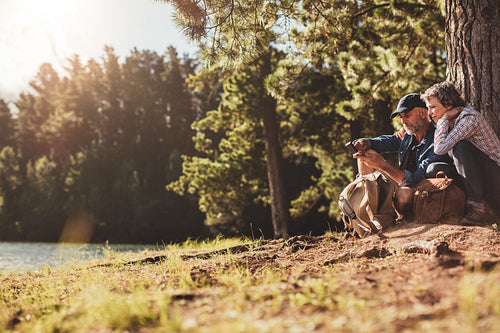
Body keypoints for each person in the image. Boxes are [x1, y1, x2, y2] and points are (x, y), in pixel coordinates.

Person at [421, 81, 500, 226]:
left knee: (461, 147)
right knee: (434, 168)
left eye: (433, 107)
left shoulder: (469, 118)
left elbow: (440, 148)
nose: (430, 113)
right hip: (477, 178)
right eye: (428, 108)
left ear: (449, 104)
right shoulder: (442, 121)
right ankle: (458, 206)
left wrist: (444, 120)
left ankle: (477, 209)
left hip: (495, 178)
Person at [352, 93, 455, 187]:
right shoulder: (407, 136)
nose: (403, 121)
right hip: (402, 186)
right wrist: (364, 143)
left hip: (420, 192)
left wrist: (382, 165)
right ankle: (366, 202)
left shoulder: (438, 140)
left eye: (407, 115)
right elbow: (384, 142)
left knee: (404, 195)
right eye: (401, 117)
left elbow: (415, 180)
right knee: (366, 153)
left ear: (423, 113)